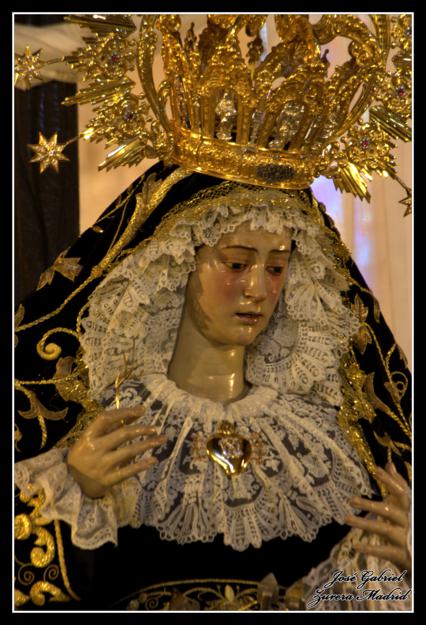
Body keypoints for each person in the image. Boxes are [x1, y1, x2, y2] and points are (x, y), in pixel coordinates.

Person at [14, 14, 411, 611]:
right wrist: (71, 494)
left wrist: (401, 567)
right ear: (176, 263)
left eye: (276, 267)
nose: (257, 289)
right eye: (236, 262)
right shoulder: (103, 430)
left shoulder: (327, 446)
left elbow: (345, 598)